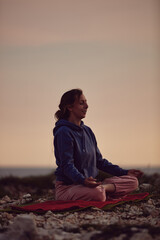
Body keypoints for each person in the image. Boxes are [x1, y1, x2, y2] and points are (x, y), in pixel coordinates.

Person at [53, 89, 143, 201]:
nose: (87, 106)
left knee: (133, 181)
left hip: (89, 185)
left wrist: (125, 172)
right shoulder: (63, 132)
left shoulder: (88, 131)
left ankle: (103, 188)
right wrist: (82, 180)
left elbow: (99, 162)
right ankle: (103, 191)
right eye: (82, 103)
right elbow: (67, 165)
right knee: (98, 194)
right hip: (68, 188)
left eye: (86, 102)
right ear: (70, 107)